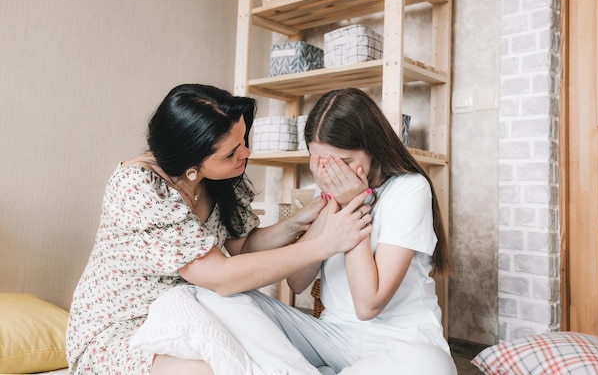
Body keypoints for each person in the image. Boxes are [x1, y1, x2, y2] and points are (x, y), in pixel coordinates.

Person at [65, 84, 373, 374]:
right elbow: (221, 278)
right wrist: (322, 245)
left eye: (243, 141)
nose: (246, 153)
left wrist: (298, 222)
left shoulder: (217, 179)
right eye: (231, 152)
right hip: (123, 329)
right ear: (192, 162)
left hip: (194, 312)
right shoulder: (139, 187)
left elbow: (243, 246)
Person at [246, 87, 457, 374]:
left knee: (431, 367)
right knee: (227, 298)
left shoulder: (410, 189)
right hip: (332, 337)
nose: (331, 174)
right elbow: (297, 282)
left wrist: (353, 205)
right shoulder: (329, 190)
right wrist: (332, 201)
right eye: (320, 162)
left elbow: (368, 306)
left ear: (373, 149)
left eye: (343, 163)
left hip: (399, 344)